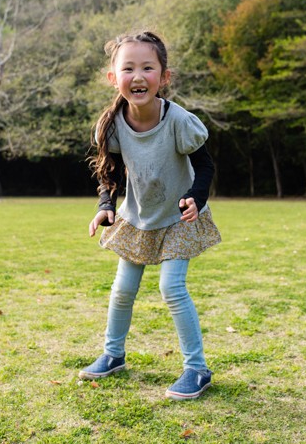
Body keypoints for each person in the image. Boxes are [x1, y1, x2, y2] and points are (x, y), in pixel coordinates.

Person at [80, 31, 221, 401]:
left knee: (171, 287)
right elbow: (108, 171)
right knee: (123, 290)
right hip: (139, 217)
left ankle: (197, 369)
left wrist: (195, 196)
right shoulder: (111, 124)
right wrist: (105, 206)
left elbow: (205, 166)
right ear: (113, 77)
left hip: (179, 216)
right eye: (128, 68)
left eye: (148, 67)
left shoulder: (179, 121)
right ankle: (113, 354)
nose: (138, 75)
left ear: (164, 76)